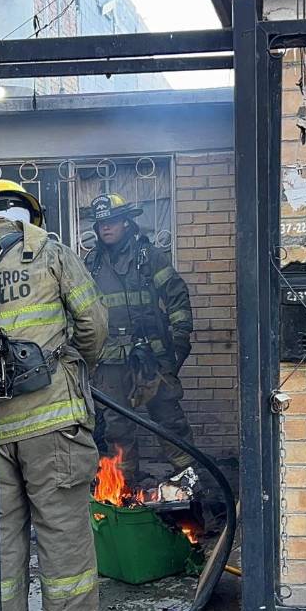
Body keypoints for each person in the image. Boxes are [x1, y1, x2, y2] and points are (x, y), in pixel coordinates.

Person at [0, 179, 118, 611]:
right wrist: (76, 366)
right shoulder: (51, 253)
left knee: (2, 528)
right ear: (29, 216)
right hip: (53, 417)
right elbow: (93, 323)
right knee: (62, 524)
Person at [83, 193, 197, 491]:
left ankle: (188, 478)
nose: (106, 228)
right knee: (117, 427)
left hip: (151, 356)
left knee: (168, 418)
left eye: (112, 221)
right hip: (109, 360)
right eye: (101, 223)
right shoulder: (92, 264)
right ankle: (123, 488)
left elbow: (177, 296)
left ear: (126, 222)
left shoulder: (149, 256)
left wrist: (179, 341)